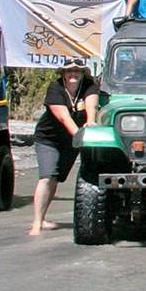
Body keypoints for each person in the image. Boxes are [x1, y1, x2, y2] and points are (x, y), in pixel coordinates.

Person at [29, 65, 100, 235]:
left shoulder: (89, 85)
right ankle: (37, 223)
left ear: (82, 73)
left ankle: (44, 218)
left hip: (70, 142)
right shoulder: (56, 88)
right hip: (49, 139)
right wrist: (81, 137)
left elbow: (91, 106)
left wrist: (90, 122)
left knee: (56, 178)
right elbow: (64, 117)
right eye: (69, 71)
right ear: (63, 74)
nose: (73, 74)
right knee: (47, 176)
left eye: (77, 71)